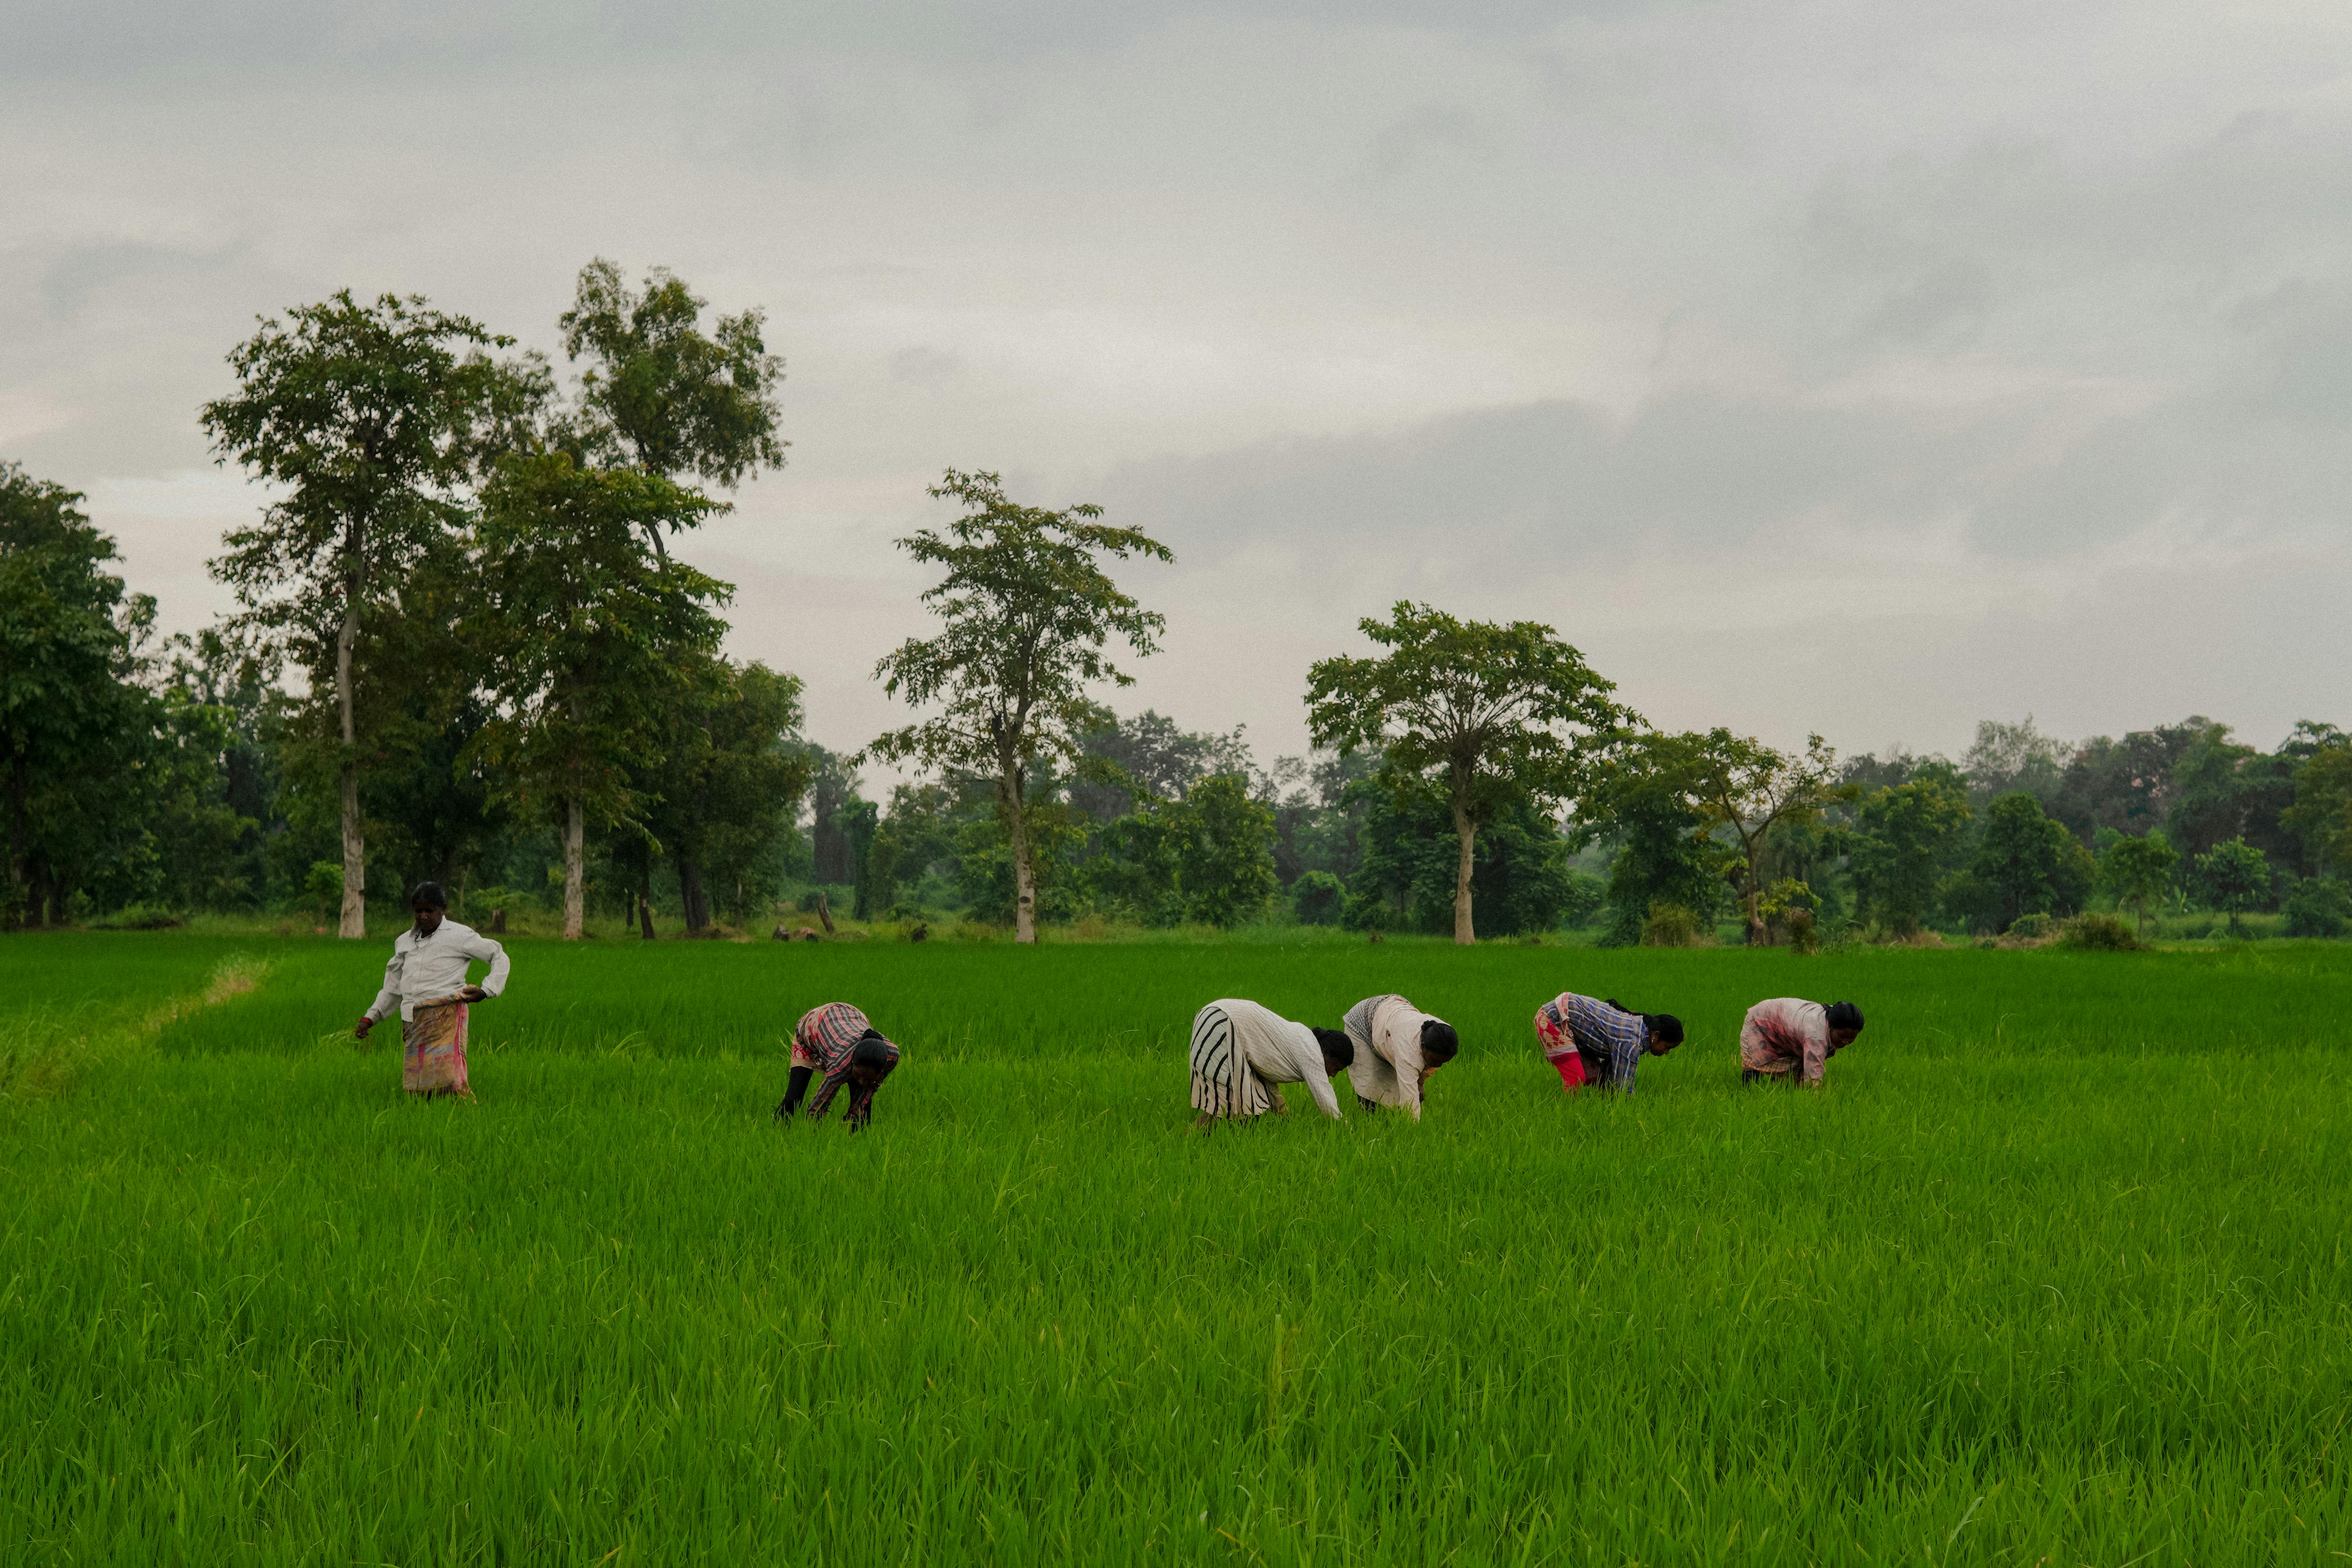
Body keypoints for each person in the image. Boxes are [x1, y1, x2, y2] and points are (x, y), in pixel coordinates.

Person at [353, 882, 510, 1100]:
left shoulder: (459, 935)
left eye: (430, 911)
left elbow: (498, 955)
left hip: (446, 1015)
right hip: (413, 1019)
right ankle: (427, 1120)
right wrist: (371, 1018)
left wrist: (487, 990)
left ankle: (466, 1117)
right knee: (419, 1086)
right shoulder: (404, 942)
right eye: (419, 911)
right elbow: (393, 988)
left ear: (443, 910)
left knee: (451, 1081)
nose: (423, 916)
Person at [1189, 998, 1354, 1129]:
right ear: (1327, 1054)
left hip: (1211, 1014)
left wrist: (1284, 1116)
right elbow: (1326, 1102)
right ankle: (1189, 1140)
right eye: (1336, 1069)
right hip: (1225, 1023)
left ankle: (1236, 1144)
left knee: (1252, 1104)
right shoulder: (1312, 1053)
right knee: (1224, 1105)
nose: (1333, 1075)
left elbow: (1268, 1079)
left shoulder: (1301, 1037)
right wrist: (1348, 1131)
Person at [777, 1002, 901, 1130]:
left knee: (864, 1097)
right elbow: (818, 1106)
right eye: (859, 1076)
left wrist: (853, 1115)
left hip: (853, 1017)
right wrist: (811, 1134)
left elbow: (870, 1089)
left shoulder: (892, 1056)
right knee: (794, 1098)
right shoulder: (840, 1065)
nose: (862, 1081)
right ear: (853, 1062)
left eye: (870, 1077)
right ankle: (778, 1129)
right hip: (814, 1024)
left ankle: (859, 1137)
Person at [1533, 992, 1683, 1094]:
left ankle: (1585, 1108)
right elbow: (1623, 1090)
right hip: (1552, 1019)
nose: (1666, 1052)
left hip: (1573, 1026)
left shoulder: (1638, 1032)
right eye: (1667, 1047)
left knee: (1594, 1078)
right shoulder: (1631, 1042)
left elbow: (1611, 1080)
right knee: (1576, 1079)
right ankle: (1566, 1114)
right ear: (1655, 1036)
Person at [1340, 993, 1458, 1119]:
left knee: (1397, 1094)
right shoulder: (1408, 1051)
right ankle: (1368, 1121)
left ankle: (1388, 1123)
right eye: (1435, 1060)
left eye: (1443, 1062)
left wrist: (1420, 1082)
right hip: (1362, 1023)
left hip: (1391, 1018)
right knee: (1370, 1087)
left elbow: (1424, 1070)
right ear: (1423, 1047)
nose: (1439, 1065)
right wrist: (1415, 1130)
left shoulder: (1445, 1036)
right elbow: (1410, 1103)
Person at [1739, 998, 1864, 1087]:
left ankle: (1779, 1090)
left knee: (1794, 1069)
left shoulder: (1837, 1015)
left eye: (1851, 1039)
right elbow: (1813, 1074)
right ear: (1830, 1026)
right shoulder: (1816, 1036)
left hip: (1785, 1024)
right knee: (1753, 1063)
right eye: (1842, 1036)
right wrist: (1816, 1097)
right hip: (1762, 1020)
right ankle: (1749, 1092)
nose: (1845, 1042)